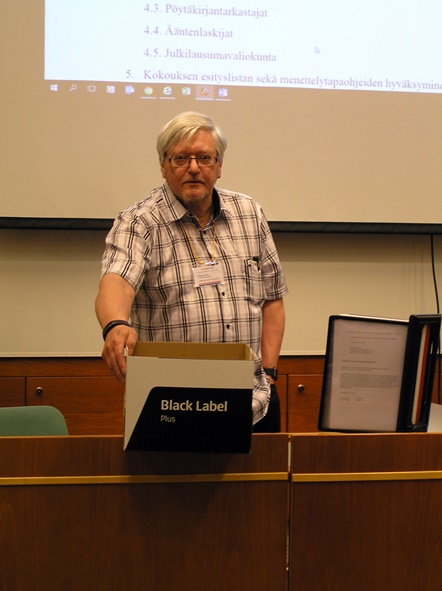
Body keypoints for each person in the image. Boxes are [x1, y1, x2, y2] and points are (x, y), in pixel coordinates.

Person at [95, 111, 288, 431]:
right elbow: (117, 280)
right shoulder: (139, 222)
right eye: (181, 158)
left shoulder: (249, 213)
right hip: (173, 404)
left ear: (219, 165)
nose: (194, 167)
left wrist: (269, 372)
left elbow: (272, 299)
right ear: (163, 166)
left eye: (204, 158)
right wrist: (115, 324)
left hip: (252, 402)